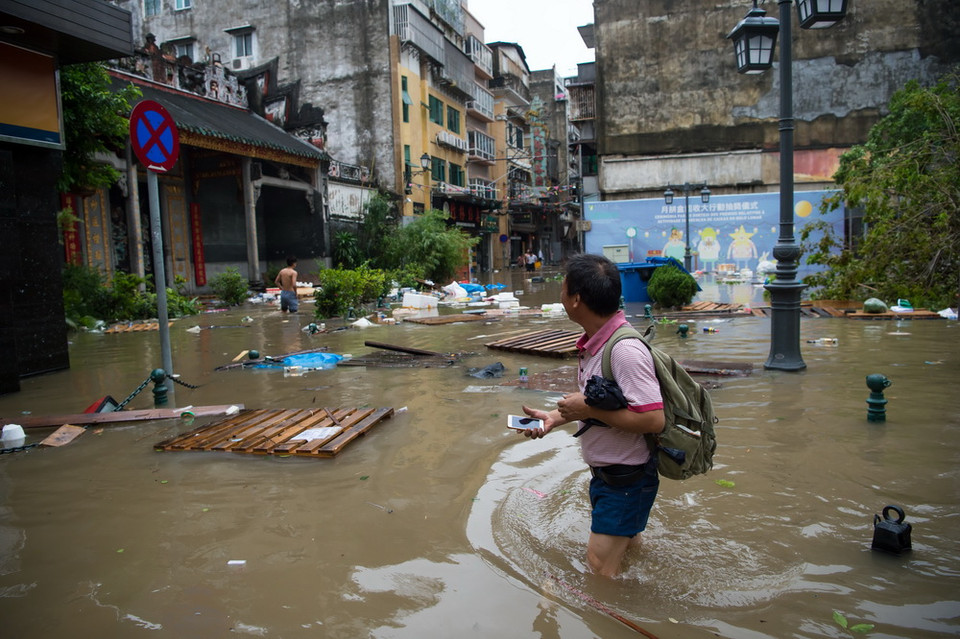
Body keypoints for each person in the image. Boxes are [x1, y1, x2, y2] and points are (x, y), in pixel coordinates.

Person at [519, 253, 665, 577]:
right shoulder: (595, 345)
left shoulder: (624, 351)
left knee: (600, 570)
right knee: (628, 553)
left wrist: (584, 408)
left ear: (576, 299)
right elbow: (607, 406)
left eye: (563, 288)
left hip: (626, 480)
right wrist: (556, 418)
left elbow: (654, 419)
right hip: (613, 478)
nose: (560, 295)